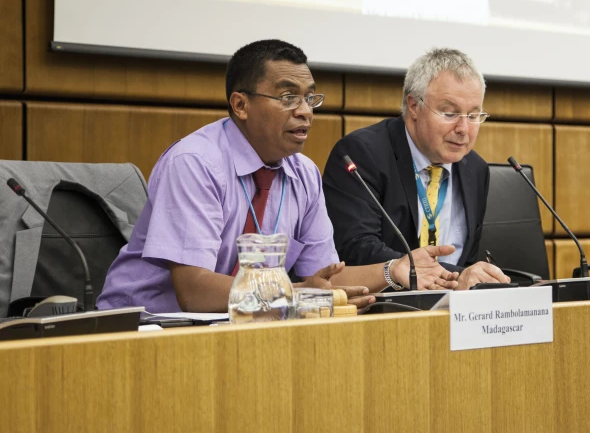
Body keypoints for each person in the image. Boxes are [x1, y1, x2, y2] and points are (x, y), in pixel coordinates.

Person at [97, 40, 458, 313]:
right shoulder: (196, 163)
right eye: (288, 97)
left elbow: (325, 277)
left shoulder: (303, 174)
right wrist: (299, 295)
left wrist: (393, 270)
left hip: (245, 325)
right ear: (240, 105)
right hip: (145, 326)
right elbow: (194, 291)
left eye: (309, 98)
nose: (305, 112)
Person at [323, 48, 509, 290]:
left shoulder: (476, 169)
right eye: (450, 113)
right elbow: (356, 248)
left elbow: (469, 257)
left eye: (473, 116)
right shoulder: (363, 154)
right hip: (384, 306)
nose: (464, 128)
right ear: (413, 105)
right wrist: (456, 276)